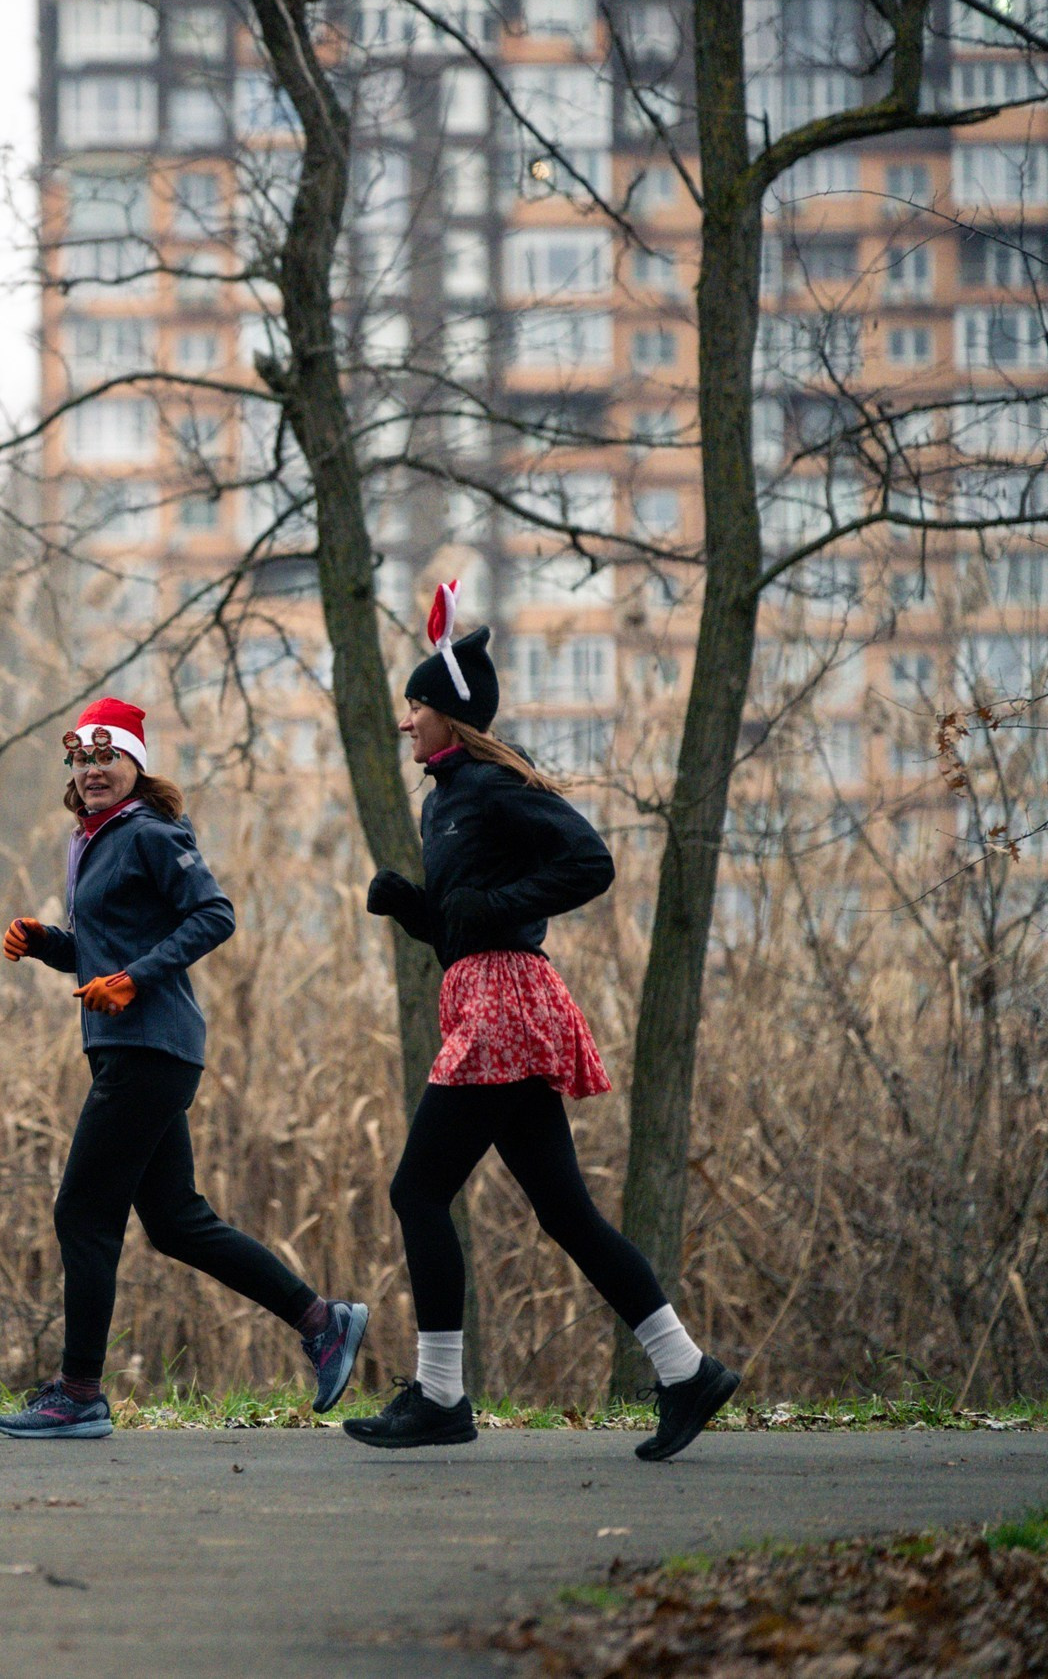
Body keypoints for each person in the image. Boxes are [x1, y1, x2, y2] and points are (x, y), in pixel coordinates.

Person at [346, 587, 739, 1459]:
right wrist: (415, 909)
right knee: (564, 1210)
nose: (405, 720)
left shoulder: (492, 781)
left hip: (505, 1006)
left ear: (448, 713)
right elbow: (465, 924)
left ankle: (442, 1396)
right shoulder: (444, 796)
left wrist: (494, 903)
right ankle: (687, 1369)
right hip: (484, 993)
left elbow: (588, 861)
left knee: (417, 1191)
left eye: (415, 705)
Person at [0, 699, 369, 1440]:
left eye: (108, 758)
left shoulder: (152, 833)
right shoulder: (91, 841)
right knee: (175, 1220)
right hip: (131, 1048)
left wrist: (135, 976)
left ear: (136, 764)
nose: (94, 770)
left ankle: (79, 1392)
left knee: (82, 1212)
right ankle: (323, 1320)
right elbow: (101, 948)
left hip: (150, 1047)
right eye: (81, 760)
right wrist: (50, 942)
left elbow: (214, 913)